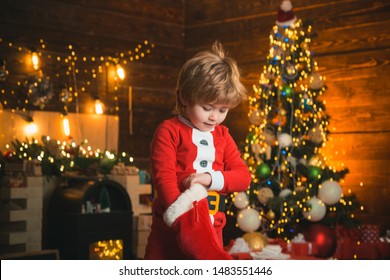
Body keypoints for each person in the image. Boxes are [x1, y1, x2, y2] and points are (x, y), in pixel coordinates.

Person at [144, 41, 251, 260]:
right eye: (207, 108)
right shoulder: (169, 131)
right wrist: (185, 222)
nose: (214, 117)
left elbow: (243, 177)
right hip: (171, 230)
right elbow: (164, 179)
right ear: (184, 97)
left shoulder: (222, 136)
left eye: (222, 110)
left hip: (213, 229)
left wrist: (209, 179)